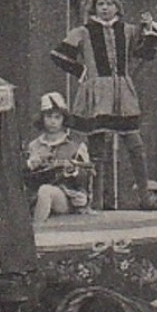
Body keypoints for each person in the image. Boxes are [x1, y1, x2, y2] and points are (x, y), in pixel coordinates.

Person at [50, 0, 157, 209]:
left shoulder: (128, 31)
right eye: (100, 4)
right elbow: (58, 54)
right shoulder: (83, 32)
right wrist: (82, 71)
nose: (105, 7)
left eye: (109, 3)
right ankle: (96, 202)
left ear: (117, 8)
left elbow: (146, 54)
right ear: (93, 8)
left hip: (123, 95)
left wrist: (150, 32)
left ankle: (145, 199)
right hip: (97, 95)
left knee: (135, 146)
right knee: (97, 149)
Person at [24, 92, 92, 223]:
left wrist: (73, 171)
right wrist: (33, 163)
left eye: (57, 117)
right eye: (49, 117)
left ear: (63, 120)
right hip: (33, 197)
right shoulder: (33, 146)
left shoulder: (76, 146)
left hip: (67, 199)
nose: (53, 121)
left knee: (46, 191)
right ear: (42, 118)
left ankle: (36, 232)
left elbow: (86, 178)